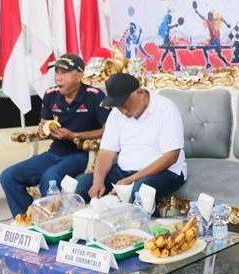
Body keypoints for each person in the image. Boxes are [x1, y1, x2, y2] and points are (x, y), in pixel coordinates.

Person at [0, 54, 109, 217]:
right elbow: (44, 125)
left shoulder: (94, 95)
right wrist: (44, 130)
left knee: (50, 176)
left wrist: (74, 135)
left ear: (79, 76)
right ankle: (27, 218)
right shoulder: (51, 95)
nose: (58, 77)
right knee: (8, 176)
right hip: (55, 152)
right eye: (56, 72)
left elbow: (108, 130)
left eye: (64, 73)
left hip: (83, 154)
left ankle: (52, 222)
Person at [75, 73, 186, 215]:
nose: (123, 111)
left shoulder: (165, 108)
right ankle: (104, 233)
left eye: (125, 104)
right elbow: (106, 152)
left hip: (166, 171)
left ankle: (150, 234)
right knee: (84, 186)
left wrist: (131, 180)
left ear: (139, 93)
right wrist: (98, 181)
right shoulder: (116, 114)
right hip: (125, 171)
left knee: (139, 192)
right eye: (118, 106)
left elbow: (171, 156)